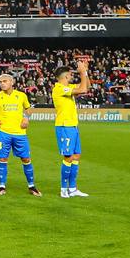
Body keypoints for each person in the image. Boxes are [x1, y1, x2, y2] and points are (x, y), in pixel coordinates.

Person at [0, 73, 40, 197]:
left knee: (26, 159)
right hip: (3, 132)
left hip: (20, 133)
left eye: (5, 81)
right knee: (2, 159)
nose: (2, 83)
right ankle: (2, 186)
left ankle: (31, 186)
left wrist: (26, 118)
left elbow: (28, 110)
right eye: (0, 81)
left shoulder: (21, 96)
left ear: (12, 82)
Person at [53, 59, 90, 198]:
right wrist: (82, 72)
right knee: (68, 157)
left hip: (73, 126)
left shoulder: (68, 87)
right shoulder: (59, 88)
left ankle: (73, 188)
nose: (72, 76)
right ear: (66, 76)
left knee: (76, 156)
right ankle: (64, 189)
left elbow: (87, 86)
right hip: (64, 126)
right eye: (71, 75)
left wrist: (85, 72)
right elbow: (83, 89)